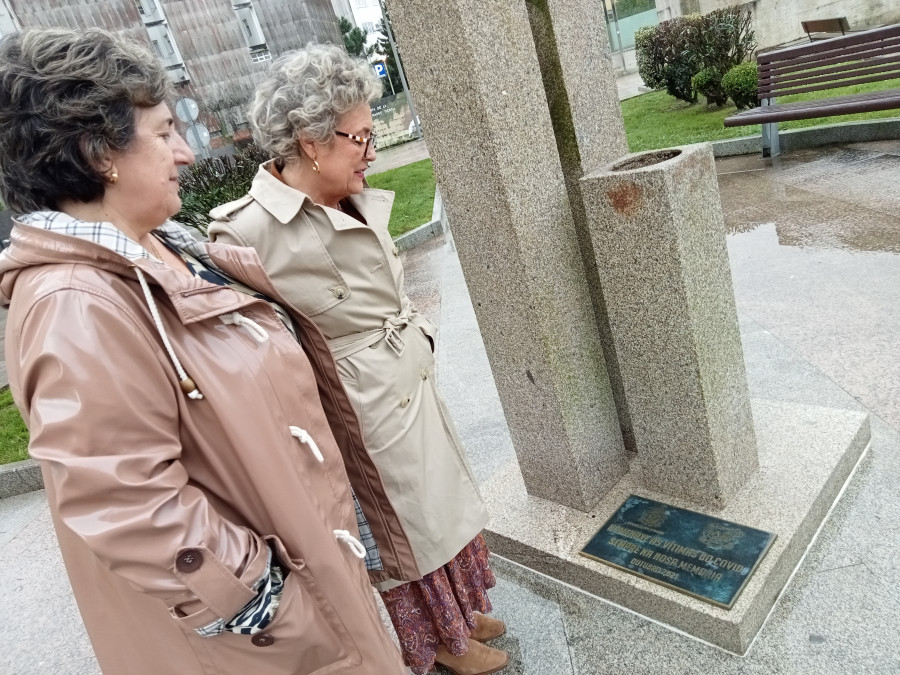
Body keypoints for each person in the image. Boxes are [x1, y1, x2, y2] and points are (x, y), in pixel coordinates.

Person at [0, 28, 410, 675]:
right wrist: (270, 605)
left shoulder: (156, 250)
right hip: (274, 645)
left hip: (309, 590)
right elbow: (127, 503)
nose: (186, 153)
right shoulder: (77, 302)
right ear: (98, 149)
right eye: (164, 132)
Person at [208, 44, 508, 675]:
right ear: (312, 142)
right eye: (361, 138)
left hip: (404, 378)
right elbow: (252, 350)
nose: (372, 152)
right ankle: (443, 644)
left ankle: (459, 609)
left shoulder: (347, 193)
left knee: (439, 507)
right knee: (401, 533)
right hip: (358, 412)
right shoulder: (244, 233)